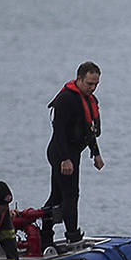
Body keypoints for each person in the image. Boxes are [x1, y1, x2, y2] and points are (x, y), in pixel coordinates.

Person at [42, 61, 103, 247]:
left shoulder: (88, 99)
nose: (92, 88)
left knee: (57, 196)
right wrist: (65, 159)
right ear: (79, 79)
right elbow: (59, 131)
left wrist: (96, 153)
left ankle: (45, 236)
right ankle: (72, 235)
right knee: (71, 194)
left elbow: (89, 129)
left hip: (74, 152)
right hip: (61, 152)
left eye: (96, 84)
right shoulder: (66, 99)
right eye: (89, 84)